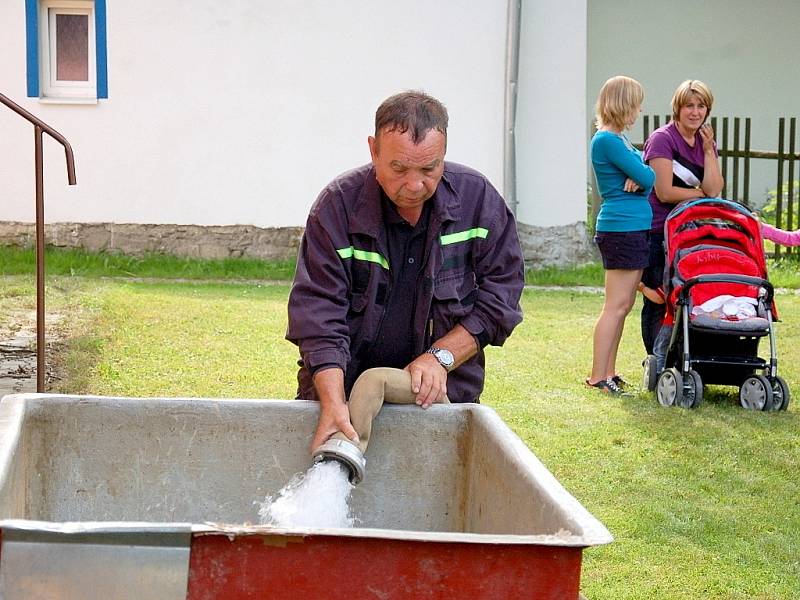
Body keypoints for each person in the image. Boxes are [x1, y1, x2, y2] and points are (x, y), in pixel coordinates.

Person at [286, 90, 525, 451]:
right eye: (399, 168)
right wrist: (333, 404)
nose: (415, 185)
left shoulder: (478, 201)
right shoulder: (336, 208)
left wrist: (441, 357)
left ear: (444, 154)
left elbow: (501, 297)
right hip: (344, 398)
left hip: (442, 402)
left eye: (430, 168)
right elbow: (319, 316)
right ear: (373, 150)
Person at [641, 80, 724, 354]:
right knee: (658, 297)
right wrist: (699, 194)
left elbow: (714, 189)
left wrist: (710, 151)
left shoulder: (705, 141)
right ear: (677, 107)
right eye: (689, 105)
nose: (695, 112)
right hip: (658, 229)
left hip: (690, 231)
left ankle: (682, 355)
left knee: (687, 295)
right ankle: (656, 358)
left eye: (701, 106)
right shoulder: (663, 139)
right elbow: (664, 191)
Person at [587, 75, 655, 395]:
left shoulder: (620, 141)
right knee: (615, 305)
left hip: (633, 227)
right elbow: (649, 175)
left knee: (625, 304)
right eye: (636, 103)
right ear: (623, 104)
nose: (640, 110)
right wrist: (639, 175)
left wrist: (640, 175)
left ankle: (609, 373)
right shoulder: (607, 141)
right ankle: (598, 376)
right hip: (621, 229)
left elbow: (643, 175)